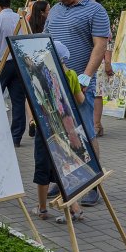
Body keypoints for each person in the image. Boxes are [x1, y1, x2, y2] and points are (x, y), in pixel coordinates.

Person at [45, 0, 110, 206]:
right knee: (62, 132)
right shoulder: (55, 10)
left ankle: (93, 183)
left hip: (80, 85)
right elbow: (46, 41)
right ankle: (65, 177)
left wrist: (86, 76)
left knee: (86, 132)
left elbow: (100, 46)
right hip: (57, 84)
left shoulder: (95, 10)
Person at [32, 40, 85, 223]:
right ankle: (75, 207)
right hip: (67, 128)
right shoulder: (70, 74)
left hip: (46, 128)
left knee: (43, 166)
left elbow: (36, 102)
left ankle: (42, 208)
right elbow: (80, 100)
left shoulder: (42, 76)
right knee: (66, 166)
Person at [0, 0, 26, 146]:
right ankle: (16, 137)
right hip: (18, 63)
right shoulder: (21, 19)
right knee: (18, 101)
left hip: (1, 63)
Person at [86, 0, 114, 138]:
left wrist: (108, 63)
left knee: (97, 94)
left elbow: (107, 44)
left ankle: (96, 125)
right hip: (86, 61)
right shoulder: (84, 18)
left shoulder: (101, 20)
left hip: (100, 63)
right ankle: (91, 124)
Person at [26, 0, 50, 137]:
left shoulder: (28, 23)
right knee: (44, 90)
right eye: (48, 10)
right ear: (42, 12)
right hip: (44, 62)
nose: (50, 12)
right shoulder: (48, 25)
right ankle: (44, 118)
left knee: (31, 93)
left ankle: (31, 120)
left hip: (30, 62)